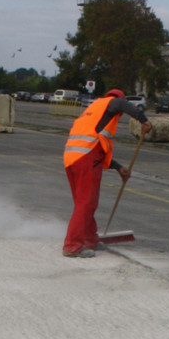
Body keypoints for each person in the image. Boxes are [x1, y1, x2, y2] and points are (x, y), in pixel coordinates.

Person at [62, 89, 151, 257]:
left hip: (72, 158)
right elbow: (122, 104)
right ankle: (72, 246)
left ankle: (89, 239)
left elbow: (96, 147)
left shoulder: (94, 110)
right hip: (85, 158)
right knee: (86, 202)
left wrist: (118, 168)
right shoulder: (111, 102)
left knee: (85, 202)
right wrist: (143, 120)